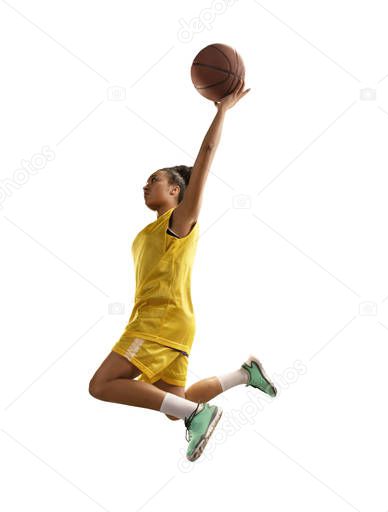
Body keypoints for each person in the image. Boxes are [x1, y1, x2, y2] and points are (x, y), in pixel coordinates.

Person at [88, 79, 277, 462]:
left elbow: (206, 155)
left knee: (103, 384)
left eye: (154, 179)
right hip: (175, 324)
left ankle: (200, 414)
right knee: (175, 405)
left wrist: (221, 111)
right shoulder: (155, 229)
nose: (146, 185)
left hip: (156, 323)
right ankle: (245, 374)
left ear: (177, 191)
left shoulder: (180, 220)